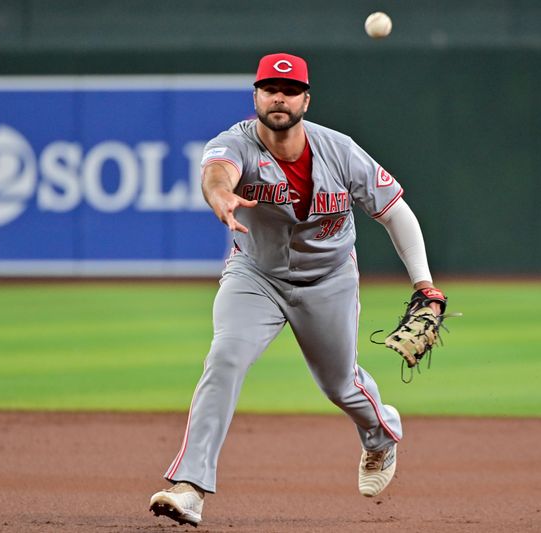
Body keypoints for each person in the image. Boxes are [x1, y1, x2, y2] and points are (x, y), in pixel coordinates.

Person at [149, 52, 444, 527]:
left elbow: (394, 211)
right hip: (255, 276)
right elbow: (216, 174)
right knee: (225, 357)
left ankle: (380, 436)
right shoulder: (235, 144)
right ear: (256, 97)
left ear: (305, 99)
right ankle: (190, 487)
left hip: (328, 279)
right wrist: (221, 195)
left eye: (288, 90)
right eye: (269, 88)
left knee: (340, 385)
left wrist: (424, 282)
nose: (278, 97)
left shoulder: (340, 150)